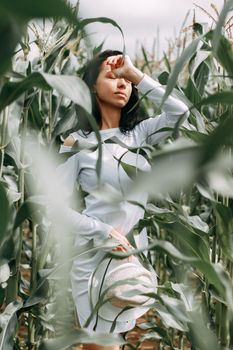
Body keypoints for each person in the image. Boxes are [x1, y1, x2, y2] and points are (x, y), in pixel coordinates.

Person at [55, 50, 189, 350]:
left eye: (125, 79)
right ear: (91, 85)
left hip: (129, 260)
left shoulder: (139, 135)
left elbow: (180, 113)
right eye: (112, 76)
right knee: (101, 345)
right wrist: (103, 232)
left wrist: (136, 75)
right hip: (94, 256)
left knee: (113, 342)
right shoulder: (77, 142)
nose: (121, 83)